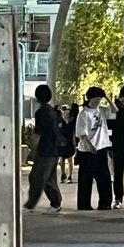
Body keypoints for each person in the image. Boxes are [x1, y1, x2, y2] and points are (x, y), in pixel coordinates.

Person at [25, 84, 63, 213]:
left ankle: (31, 204)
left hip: (45, 149)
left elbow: (38, 133)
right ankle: (55, 202)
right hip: (54, 148)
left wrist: (33, 149)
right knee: (48, 177)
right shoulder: (52, 111)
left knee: (37, 177)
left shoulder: (41, 112)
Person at [75, 88, 114, 211]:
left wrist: (106, 97)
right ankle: (84, 204)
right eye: (96, 98)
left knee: (104, 178)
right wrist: (90, 146)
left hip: (101, 148)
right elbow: (82, 134)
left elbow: (115, 111)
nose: (98, 101)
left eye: (99, 98)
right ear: (90, 98)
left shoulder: (101, 110)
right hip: (87, 151)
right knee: (85, 179)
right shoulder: (83, 114)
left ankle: (105, 203)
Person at [57, 104, 76, 184]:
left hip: (70, 142)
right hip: (61, 143)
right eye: (63, 110)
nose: (65, 112)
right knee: (62, 160)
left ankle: (70, 176)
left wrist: (74, 143)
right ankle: (62, 174)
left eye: (66, 110)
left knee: (70, 159)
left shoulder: (71, 120)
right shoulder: (59, 120)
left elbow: (73, 132)